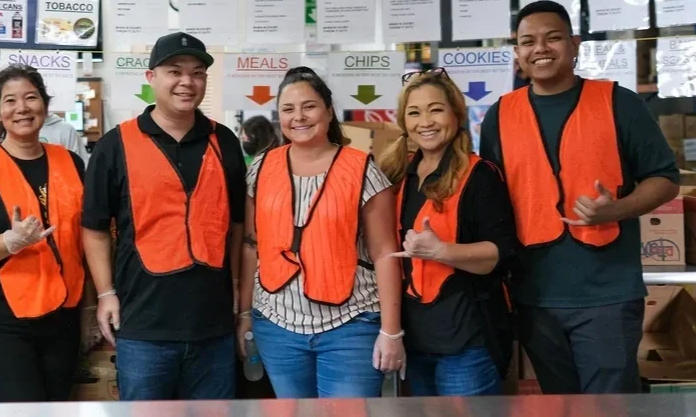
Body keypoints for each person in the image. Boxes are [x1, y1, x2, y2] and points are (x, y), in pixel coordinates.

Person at [479, 0, 680, 395]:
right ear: (517, 53)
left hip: (607, 295)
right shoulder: (499, 116)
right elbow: (490, 201)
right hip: (533, 295)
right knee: (562, 404)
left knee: (609, 405)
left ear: (575, 45)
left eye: (553, 38)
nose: (541, 48)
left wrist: (618, 208)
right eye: (528, 41)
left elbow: (665, 179)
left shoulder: (619, 103)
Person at [82, 32, 246, 401]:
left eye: (197, 72)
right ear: (151, 77)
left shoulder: (226, 142)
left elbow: (236, 226)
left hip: (214, 328)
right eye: (175, 71)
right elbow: (94, 229)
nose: (187, 82)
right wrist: (106, 293)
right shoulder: (115, 144)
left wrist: (236, 287)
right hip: (143, 328)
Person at [237, 67, 404, 399]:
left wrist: (391, 331)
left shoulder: (362, 169)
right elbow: (251, 245)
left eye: (309, 106)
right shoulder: (261, 168)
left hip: (351, 327)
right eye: (288, 109)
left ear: (328, 112)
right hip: (275, 325)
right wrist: (244, 315)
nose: (298, 117)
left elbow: (386, 253)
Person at [0, 65, 86, 404]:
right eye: (10, 101)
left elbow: (85, 241)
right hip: (0, 325)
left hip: (63, 322)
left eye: (31, 98)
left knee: (54, 412)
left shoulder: (71, 162)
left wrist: (92, 308)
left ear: (45, 106)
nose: (21, 108)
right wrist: (10, 241)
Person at [379, 69, 517, 397]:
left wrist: (441, 251)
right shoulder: (396, 174)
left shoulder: (480, 174)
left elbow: (501, 253)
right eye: (414, 113)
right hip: (412, 341)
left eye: (436, 109)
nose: (425, 121)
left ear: (456, 113)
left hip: (467, 344)